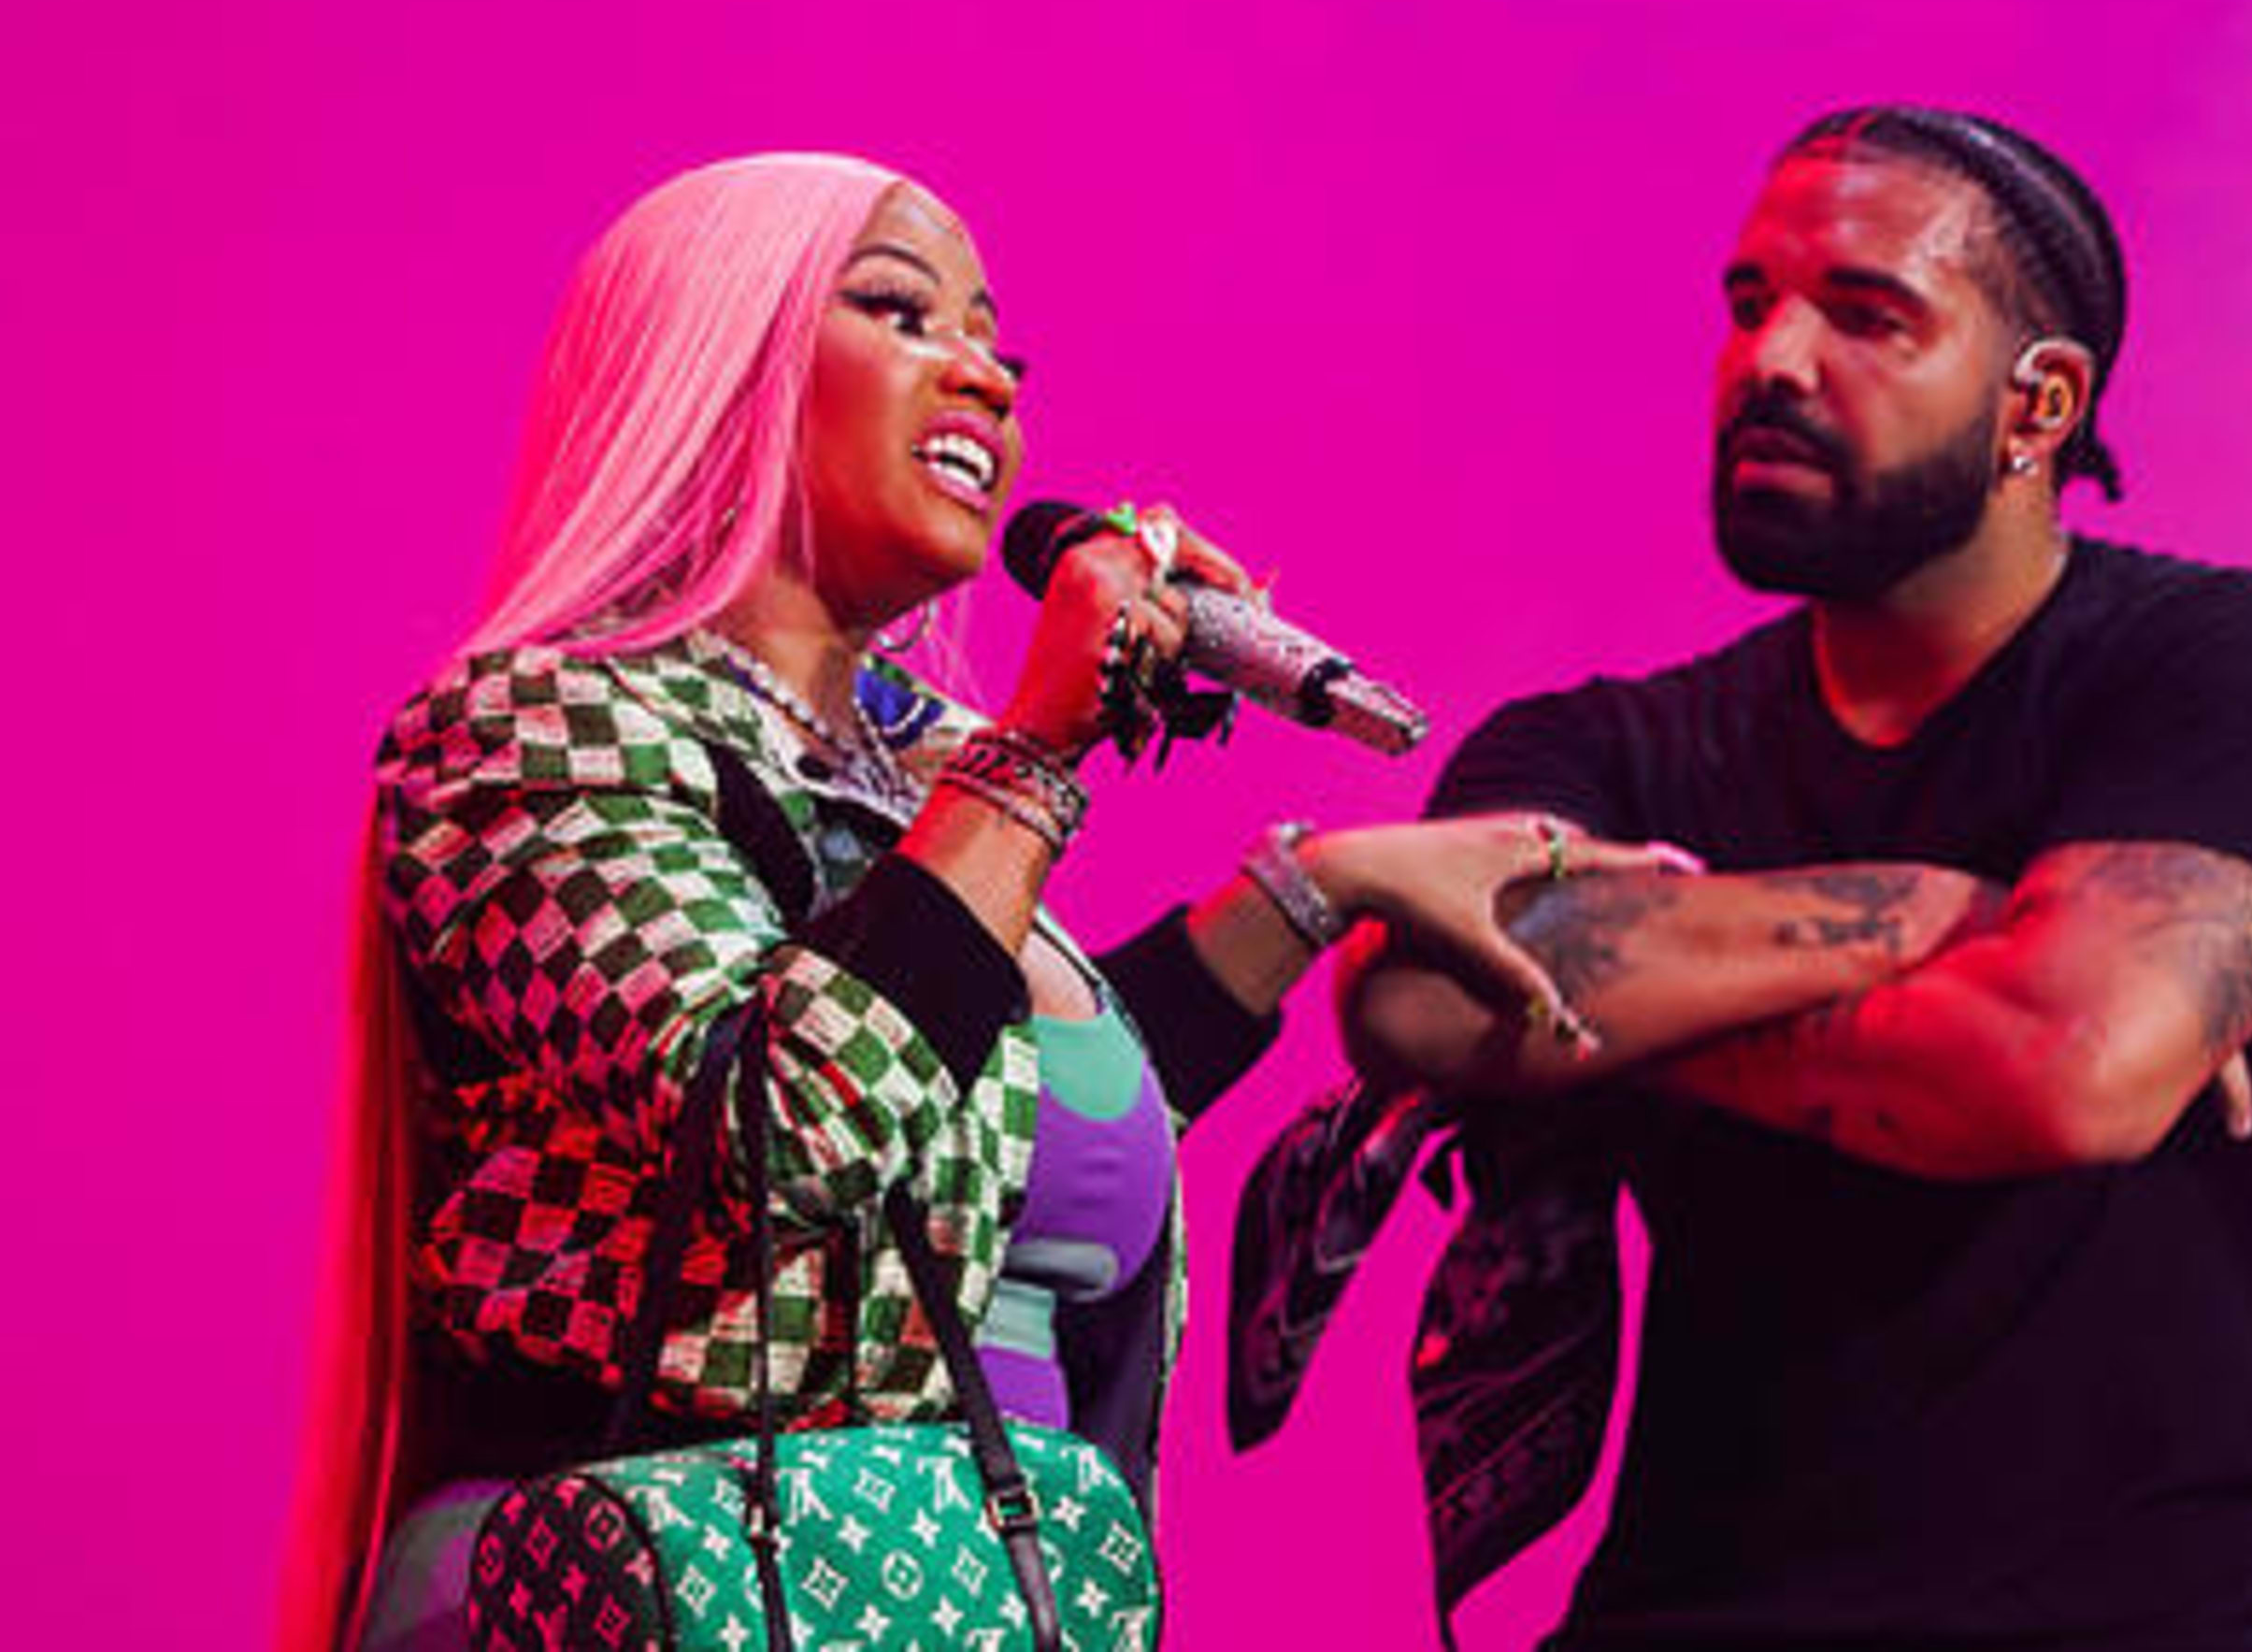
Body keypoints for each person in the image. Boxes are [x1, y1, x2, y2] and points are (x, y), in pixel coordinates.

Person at [275, 151, 1663, 1652]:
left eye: (999, 346)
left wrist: (1316, 887)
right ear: (717, 364)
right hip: (698, 1596)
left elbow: (995, 1133)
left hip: (946, 1597)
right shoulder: (538, 727)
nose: (985, 380)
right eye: (898, 310)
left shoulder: (912, 764)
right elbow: (781, 1126)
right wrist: (1035, 749)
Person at [1241, 107, 2252, 1648]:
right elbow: (1407, 998)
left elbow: (2066, 1069)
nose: (1773, 361)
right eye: (1750, 304)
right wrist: (1945, 918)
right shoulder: (1602, 746)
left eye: (1866, 315)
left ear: (2038, 406)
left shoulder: (2237, 668)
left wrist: (1621, 1002)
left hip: (2192, 1607)